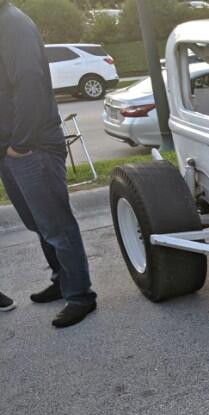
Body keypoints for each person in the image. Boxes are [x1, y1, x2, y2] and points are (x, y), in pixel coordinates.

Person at [0, 0, 97, 327]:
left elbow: (28, 84)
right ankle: (62, 280)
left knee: (56, 223)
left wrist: (20, 144)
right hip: (12, 148)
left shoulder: (12, 24)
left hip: (32, 147)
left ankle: (80, 295)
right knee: (38, 222)